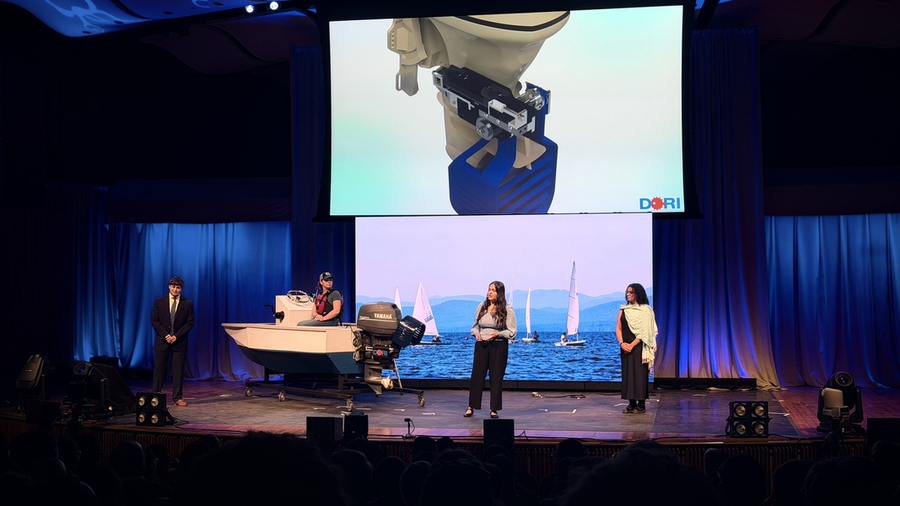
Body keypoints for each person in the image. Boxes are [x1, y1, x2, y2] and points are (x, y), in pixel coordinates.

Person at [465, 281, 516, 419]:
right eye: (489, 289)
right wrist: (476, 334)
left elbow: (512, 332)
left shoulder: (507, 309)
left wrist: (498, 334)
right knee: (477, 376)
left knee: (496, 378)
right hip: (481, 345)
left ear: (499, 293)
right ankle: (471, 406)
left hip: (498, 346)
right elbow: (475, 326)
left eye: (493, 290)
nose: (489, 292)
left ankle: (494, 409)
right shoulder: (482, 307)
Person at [151, 276, 194, 407]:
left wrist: (176, 336)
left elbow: (189, 323)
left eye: (178, 287)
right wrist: (165, 335)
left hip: (179, 343)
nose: (175, 290)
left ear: (181, 289)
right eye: (173, 286)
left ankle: (177, 397)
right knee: (159, 370)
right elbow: (155, 321)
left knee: (178, 371)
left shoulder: (187, 303)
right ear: (169, 286)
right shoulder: (159, 301)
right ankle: (156, 396)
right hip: (162, 342)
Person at [616, 282, 657, 414]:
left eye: (631, 292)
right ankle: (631, 403)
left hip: (639, 346)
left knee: (639, 375)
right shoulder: (623, 309)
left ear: (637, 294)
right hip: (625, 346)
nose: (628, 294)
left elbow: (646, 331)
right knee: (628, 374)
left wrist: (632, 345)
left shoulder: (646, 310)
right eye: (627, 292)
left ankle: (641, 404)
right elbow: (618, 328)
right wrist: (622, 344)